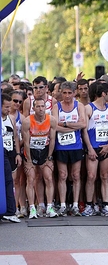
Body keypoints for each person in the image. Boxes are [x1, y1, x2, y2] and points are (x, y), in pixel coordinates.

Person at [52, 81, 87, 216]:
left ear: (74, 93)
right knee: (62, 175)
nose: (67, 96)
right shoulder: (57, 107)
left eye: (69, 93)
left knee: (76, 175)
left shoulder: (79, 106)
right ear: (61, 93)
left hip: (76, 145)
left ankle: (76, 205)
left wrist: (65, 124)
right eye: (64, 93)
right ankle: (62, 205)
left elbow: (83, 124)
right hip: (61, 146)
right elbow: (54, 126)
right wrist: (73, 126)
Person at [81, 82, 108, 216]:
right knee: (91, 176)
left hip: (106, 147)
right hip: (93, 147)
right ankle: (89, 205)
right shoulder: (89, 108)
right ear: (103, 94)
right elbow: (84, 131)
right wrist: (89, 148)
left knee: (105, 176)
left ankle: (105, 205)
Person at [22, 98, 58, 219]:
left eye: (43, 106)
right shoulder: (27, 121)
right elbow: (26, 143)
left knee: (48, 177)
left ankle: (49, 207)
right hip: (31, 151)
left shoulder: (51, 120)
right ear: (33, 108)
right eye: (38, 106)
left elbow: (52, 140)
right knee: (31, 179)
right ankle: (32, 208)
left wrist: (49, 158)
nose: (41, 109)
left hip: (44, 151)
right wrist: (29, 160)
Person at [1, 93, 21, 223]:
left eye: (10, 107)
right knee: (7, 180)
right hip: (1, 152)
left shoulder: (11, 118)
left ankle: (9, 210)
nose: (9, 109)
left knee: (10, 181)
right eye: (6, 107)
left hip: (10, 152)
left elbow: (15, 137)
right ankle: (9, 210)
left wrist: (18, 154)